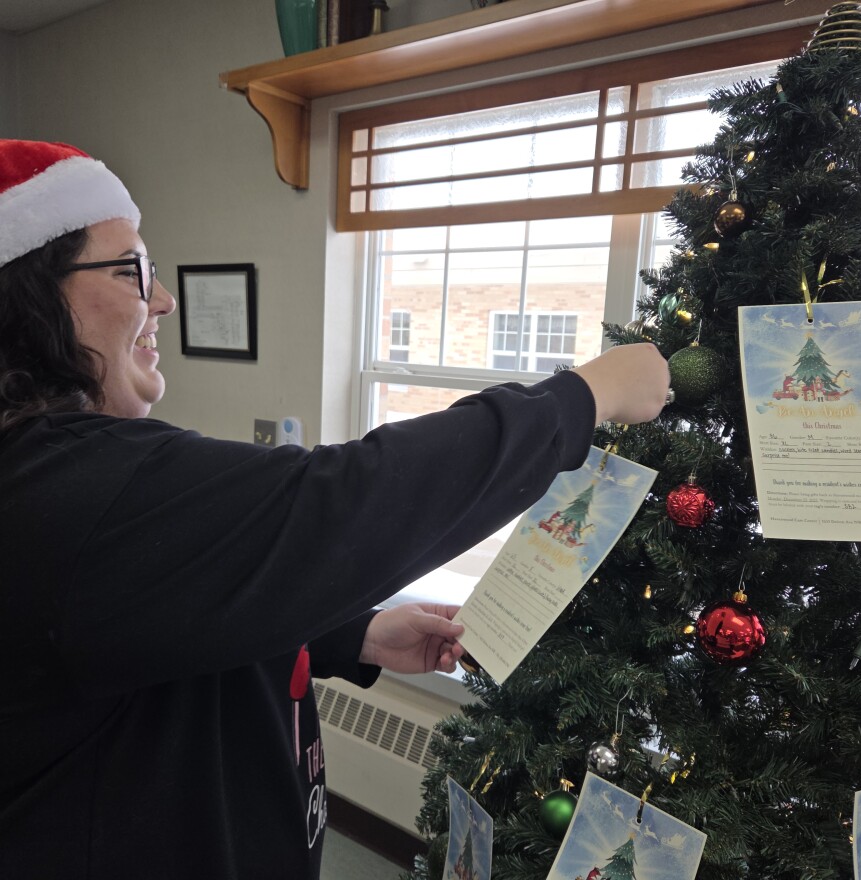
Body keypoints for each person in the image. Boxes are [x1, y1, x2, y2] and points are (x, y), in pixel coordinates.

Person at [0, 139, 670, 879]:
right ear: (30, 293)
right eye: (133, 269)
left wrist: (354, 636)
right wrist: (581, 398)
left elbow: (171, 609)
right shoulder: (56, 487)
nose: (163, 298)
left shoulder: (71, 492)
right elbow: (343, 502)